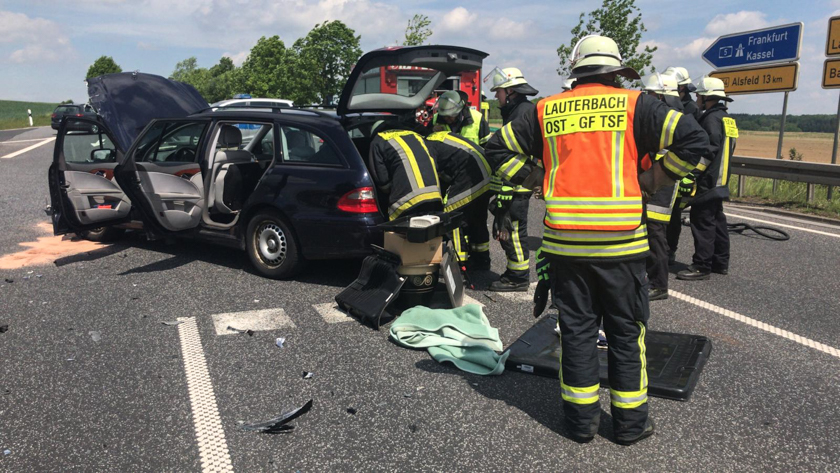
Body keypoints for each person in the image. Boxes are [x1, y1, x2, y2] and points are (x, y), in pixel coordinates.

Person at [484, 35, 709, 445]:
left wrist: (537, 180)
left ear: (576, 70)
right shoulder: (635, 105)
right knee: (625, 333)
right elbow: (695, 140)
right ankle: (629, 424)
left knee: (577, 332)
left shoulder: (544, 110)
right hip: (621, 246)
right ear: (616, 71)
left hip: (566, 245)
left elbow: (496, 149)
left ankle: (580, 423)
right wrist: (652, 179)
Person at [484, 67, 540, 291]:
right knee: (508, 231)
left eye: (499, 92)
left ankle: (517, 278)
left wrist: (514, 181)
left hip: (515, 186)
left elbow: (517, 154)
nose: (496, 96)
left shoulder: (522, 113)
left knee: (513, 232)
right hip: (511, 186)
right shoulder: (519, 111)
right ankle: (514, 272)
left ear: (511, 92)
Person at [677, 77, 737, 281]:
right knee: (717, 220)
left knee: (702, 220)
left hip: (709, 180)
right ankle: (720, 263)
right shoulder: (726, 118)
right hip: (721, 179)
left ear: (706, 97)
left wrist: (692, 174)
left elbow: (708, 151)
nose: (696, 98)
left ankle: (701, 266)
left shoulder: (711, 119)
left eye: (699, 95)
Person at [640, 73, 685, 301]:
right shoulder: (668, 115)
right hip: (657, 178)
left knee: (655, 232)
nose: (647, 97)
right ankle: (650, 279)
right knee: (650, 231)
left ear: (660, 94)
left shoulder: (670, 118)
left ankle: (658, 285)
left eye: (650, 93)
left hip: (663, 181)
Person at [424, 131, 494, 263]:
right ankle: (481, 259)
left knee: (451, 215)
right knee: (477, 217)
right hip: (488, 172)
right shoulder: (438, 138)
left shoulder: (426, 147)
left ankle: (458, 261)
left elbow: (432, 175)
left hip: (474, 175)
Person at [370, 122, 443, 221]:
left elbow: (383, 182)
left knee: (402, 235)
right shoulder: (415, 135)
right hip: (435, 195)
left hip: (406, 201)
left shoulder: (378, 140)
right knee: (429, 233)